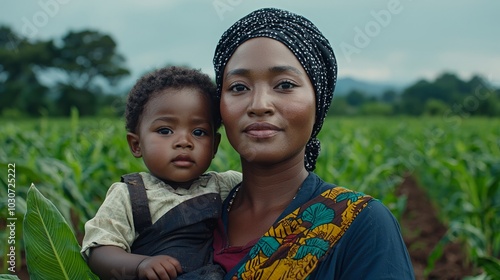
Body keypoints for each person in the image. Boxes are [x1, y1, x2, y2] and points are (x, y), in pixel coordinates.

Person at [211, 8, 415, 279]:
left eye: (284, 85)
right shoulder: (188, 212)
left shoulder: (362, 224)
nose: (259, 105)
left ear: (318, 102)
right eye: (238, 87)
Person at [81, 66, 241, 280]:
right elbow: (100, 252)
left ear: (214, 145)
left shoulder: (226, 185)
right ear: (136, 144)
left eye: (199, 132)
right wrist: (140, 265)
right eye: (165, 131)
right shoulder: (129, 195)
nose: (184, 142)